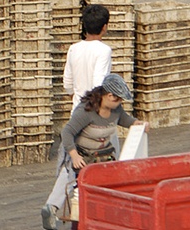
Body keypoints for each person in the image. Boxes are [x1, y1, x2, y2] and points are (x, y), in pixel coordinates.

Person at [41, 74, 144, 230]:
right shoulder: (85, 111)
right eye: (119, 99)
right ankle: (51, 208)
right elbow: (67, 132)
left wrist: (137, 124)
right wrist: (74, 155)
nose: (120, 103)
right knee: (70, 179)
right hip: (82, 155)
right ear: (109, 96)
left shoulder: (116, 110)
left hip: (102, 157)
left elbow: (124, 119)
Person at [62, 5, 112, 111]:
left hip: (77, 111)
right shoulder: (104, 50)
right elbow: (98, 83)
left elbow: (67, 84)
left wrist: (77, 99)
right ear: (104, 27)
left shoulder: (73, 49)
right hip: (94, 112)